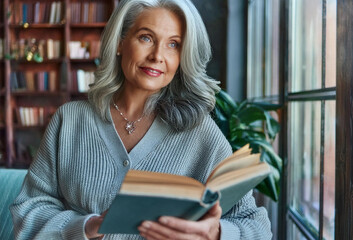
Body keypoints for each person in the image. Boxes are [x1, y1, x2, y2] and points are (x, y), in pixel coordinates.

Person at [11, 0, 272, 239]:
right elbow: (28, 210)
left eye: (173, 44)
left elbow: (257, 226)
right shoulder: (69, 121)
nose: (158, 55)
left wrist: (215, 233)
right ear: (120, 42)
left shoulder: (201, 133)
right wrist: (88, 227)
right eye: (146, 37)